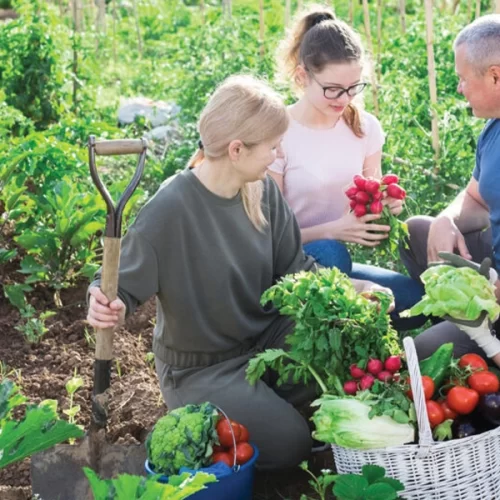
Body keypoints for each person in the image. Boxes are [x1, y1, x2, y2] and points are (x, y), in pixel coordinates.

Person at [86, 75, 392, 470]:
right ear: (236, 149)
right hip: (201, 367)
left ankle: (265, 406)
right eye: (271, 146)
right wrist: (104, 302)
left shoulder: (262, 194)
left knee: (346, 340)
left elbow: (298, 272)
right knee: (289, 445)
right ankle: (259, 416)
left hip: (265, 338)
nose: (277, 153)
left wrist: (356, 290)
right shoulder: (172, 209)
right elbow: (117, 288)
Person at [267, 7, 424, 330]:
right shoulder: (277, 131)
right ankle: (301, 328)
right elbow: (267, 235)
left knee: (417, 301)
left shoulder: (365, 128)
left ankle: (345, 323)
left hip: (332, 267)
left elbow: (369, 203)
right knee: (333, 252)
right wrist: (333, 230)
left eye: (353, 88)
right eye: (333, 89)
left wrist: (386, 207)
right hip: (282, 266)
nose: (344, 99)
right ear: (302, 77)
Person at [401, 14, 500, 368]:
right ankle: (462, 316)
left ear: (495, 75)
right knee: (417, 230)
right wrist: (447, 218)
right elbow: (476, 196)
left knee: (423, 350)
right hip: (494, 276)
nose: (459, 88)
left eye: (462, 79)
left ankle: (476, 333)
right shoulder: (493, 129)